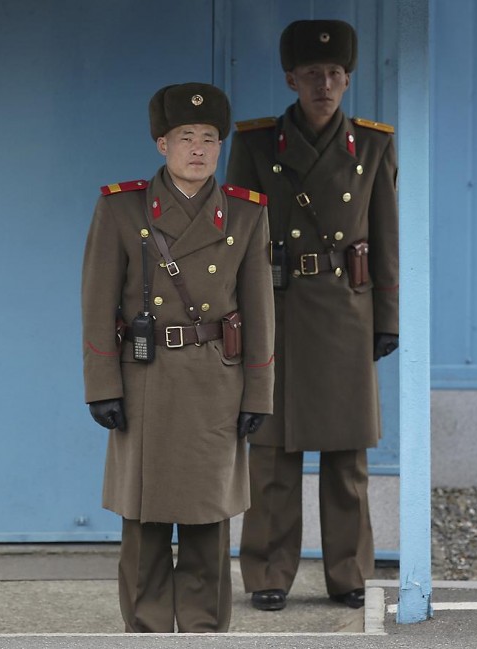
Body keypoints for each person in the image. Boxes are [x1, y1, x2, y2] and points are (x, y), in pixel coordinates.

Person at [81, 82, 275, 632]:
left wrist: (259, 391)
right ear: (161, 142)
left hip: (216, 383)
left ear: (220, 147)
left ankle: (203, 632)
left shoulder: (245, 214)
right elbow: (96, 304)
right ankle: (144, 631)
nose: (197, 149)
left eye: (209, 138)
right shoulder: (121, 208)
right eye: (185, 137)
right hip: (143, 380)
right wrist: (102, 385)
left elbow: (261, 314)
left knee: (208, 521)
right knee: (142, 522)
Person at [225, 19, 399, 612]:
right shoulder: (253, 146)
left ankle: (349, 572)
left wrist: (388, 319)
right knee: (272, 450)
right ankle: (268, 572)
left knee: (347, 454)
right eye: (311, 74)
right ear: (290, 79)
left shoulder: (373, 146)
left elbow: (385, 237)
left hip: (347, 311)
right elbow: (234, 243)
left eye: (333, 73)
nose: (322, 83)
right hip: (277, 306)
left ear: (347, 79)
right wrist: (236, 317)